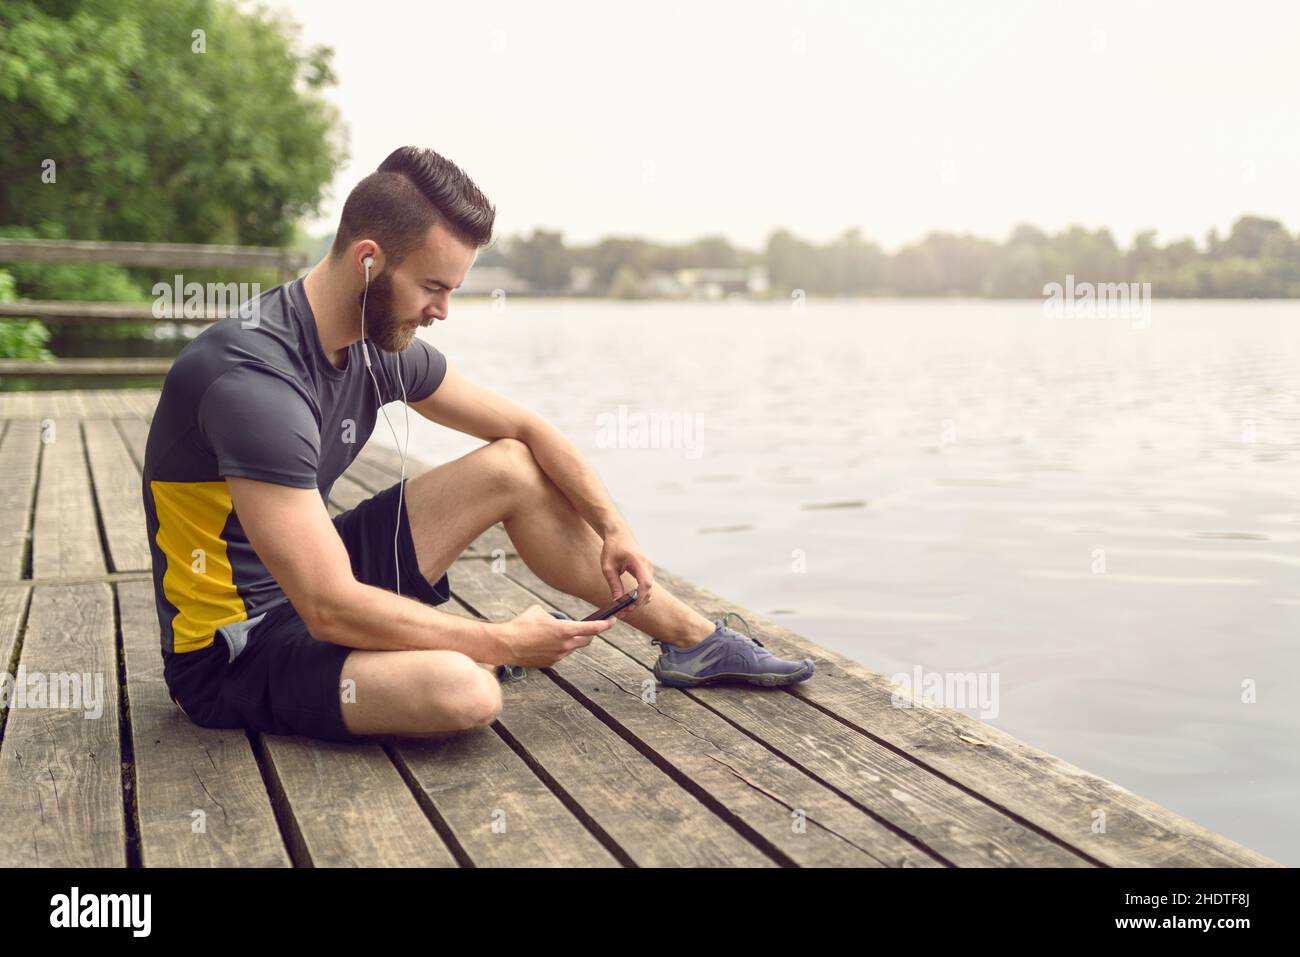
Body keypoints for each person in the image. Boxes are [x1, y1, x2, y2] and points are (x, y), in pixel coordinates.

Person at [141, 145, 814, 745]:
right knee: (466, 693)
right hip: (237, 647)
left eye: (452, 290)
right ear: (369, 261)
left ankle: (696, 642)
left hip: (316, 580)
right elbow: (329, 605)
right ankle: (488, 652)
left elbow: (528, 429)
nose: (441, 312)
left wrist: (613, 525)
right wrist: (497, 640)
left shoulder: (374, 343)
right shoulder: (252, 380)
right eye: (433, 287)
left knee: (512, 468)